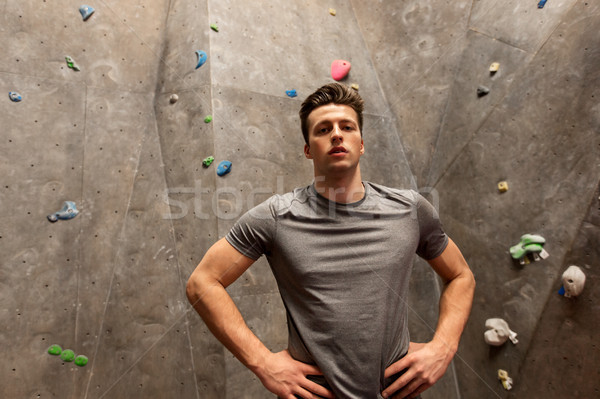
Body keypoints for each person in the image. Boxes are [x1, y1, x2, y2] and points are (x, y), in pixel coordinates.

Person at [186, 83, 475, 399]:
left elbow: (461, 275)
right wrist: (263, 363)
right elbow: (203, 282)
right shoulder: (276, 216)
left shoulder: (410, 209)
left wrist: (444, 346)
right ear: (308, 149)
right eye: (323, 129)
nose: (337, 134)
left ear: (361, 144)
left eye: (346, 127)